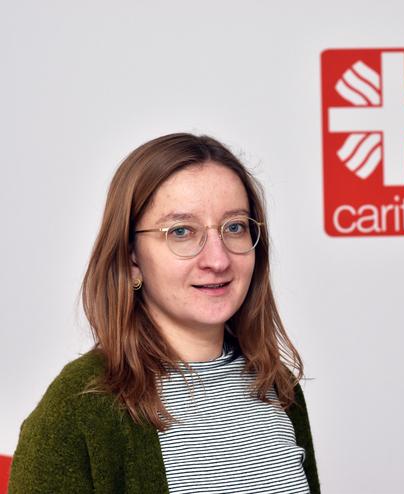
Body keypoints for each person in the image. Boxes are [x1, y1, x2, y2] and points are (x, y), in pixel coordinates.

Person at [8, 134, 320, 493]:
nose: (218, 260)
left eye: (234, 226)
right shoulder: (78, 406)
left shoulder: (276, 385)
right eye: (181, 231)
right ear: (132, 259)